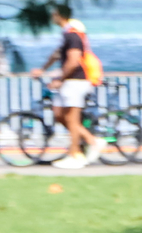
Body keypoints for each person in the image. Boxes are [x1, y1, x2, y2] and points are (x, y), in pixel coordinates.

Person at [30, 16, 99, 168]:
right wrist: (42, 69)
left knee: (71, 119)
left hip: (76, 82)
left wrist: (60, 78)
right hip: (69, 82)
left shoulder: (73, 37)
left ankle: (75, 155)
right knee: (59, 114)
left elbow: (73, 62)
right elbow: (56, 55)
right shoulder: (68, 38)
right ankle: (90, 140)